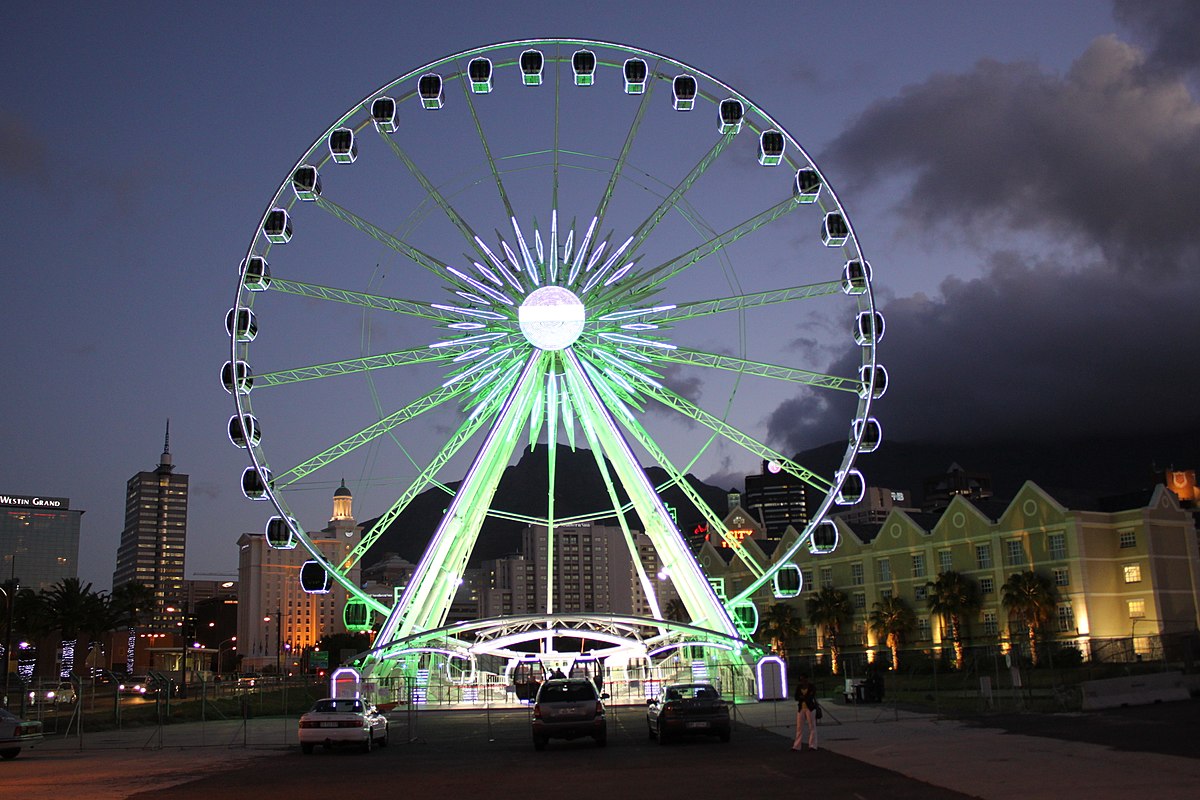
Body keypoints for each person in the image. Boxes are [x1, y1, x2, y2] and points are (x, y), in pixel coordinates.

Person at [792, 674, 818, 751]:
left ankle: (812, 745)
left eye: (804, 680)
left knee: (812, 727)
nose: (803, 681)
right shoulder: (799, 687)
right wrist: (804, 697)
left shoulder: (811, 687)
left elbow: (810, 697)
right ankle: (796, 746)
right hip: (801, 708)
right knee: (799, 727)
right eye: (801, 680)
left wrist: (802, 697)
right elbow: (796, 697)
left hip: (810, 708)